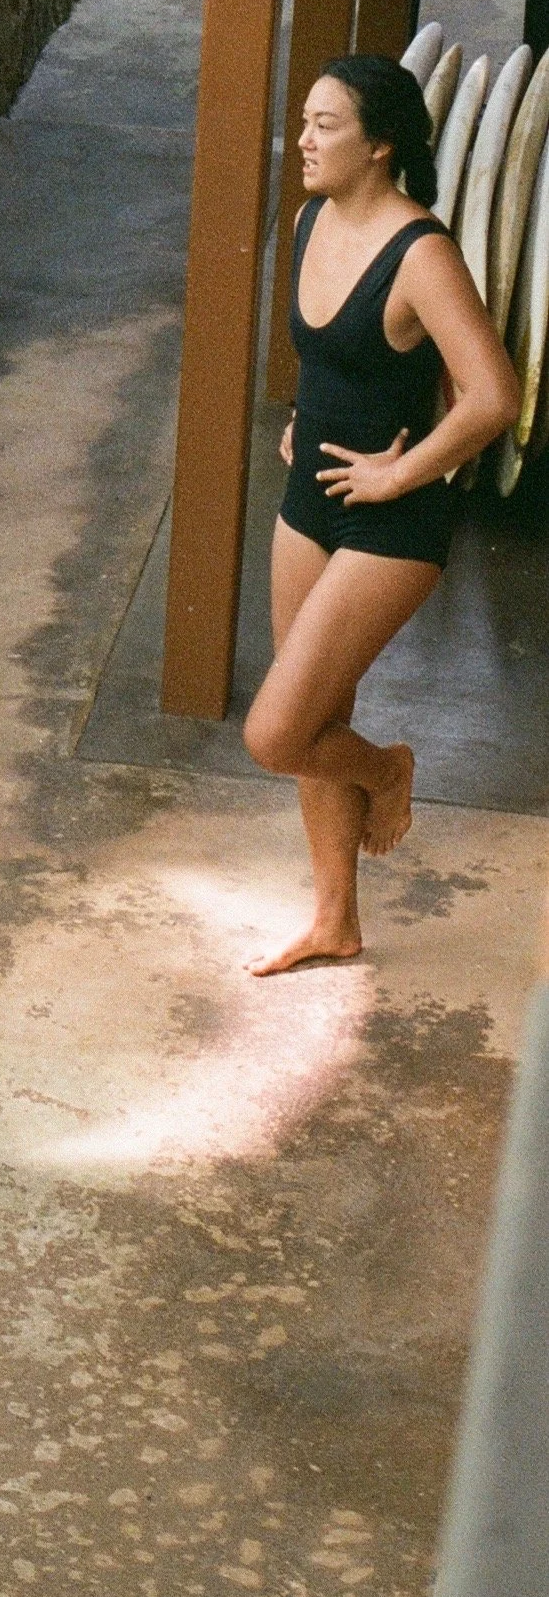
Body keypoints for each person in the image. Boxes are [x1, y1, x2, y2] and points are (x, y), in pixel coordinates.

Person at [244, 55, 518, 977]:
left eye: (325, 126)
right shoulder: (309, 218)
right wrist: (300, 422)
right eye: (305, 121)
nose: (304, 140)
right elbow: (327, 357)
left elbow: (492, 395)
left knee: (276, 733)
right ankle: (334, 921)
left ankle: (387, 771)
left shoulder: (421, 253)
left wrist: (402, 476)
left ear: (379, 146)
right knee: (322, 706)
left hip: (389, 521)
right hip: (308, 497)